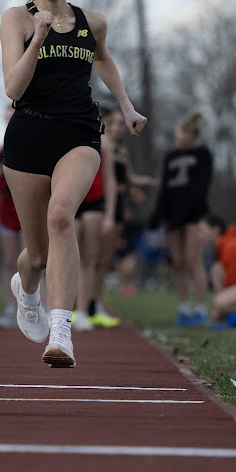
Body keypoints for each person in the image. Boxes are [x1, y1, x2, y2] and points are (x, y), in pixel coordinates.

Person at [0, 0, 146, 367]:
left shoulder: (92, 21)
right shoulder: (16, 19)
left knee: (62, 214)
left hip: (79, 134)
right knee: (39, 254)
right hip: (28, 136)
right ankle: (27, 288)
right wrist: (38, 38)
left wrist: (126, 105)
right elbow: (12, 87)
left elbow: (102, 58)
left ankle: (61, 331)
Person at [91, 105, 158, 324]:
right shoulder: (99, 145)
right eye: (114, 124)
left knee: (104, 260)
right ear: (105, 124)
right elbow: (102, 180)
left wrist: (145, 182)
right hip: (100, 204)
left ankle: (96, 303)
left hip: (118, 206)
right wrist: (124, 189)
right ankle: (87, 304)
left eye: (121, 124)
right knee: (93, 258)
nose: (118, 128)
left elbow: (127, 178)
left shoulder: (121, 151)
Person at [148, 108, 213, 327]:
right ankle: (184, 309)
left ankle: (201, 310)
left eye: (185, 140)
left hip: (193, 215)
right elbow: (165, 187)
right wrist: (158, 213)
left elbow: (199, 188)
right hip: (172, 216)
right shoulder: (171, 156)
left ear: (194, 138)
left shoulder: (203, 154)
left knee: (193, 260)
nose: (181, 143)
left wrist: (183, 213)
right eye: (178, 138)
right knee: (178, 263)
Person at [72, 129, 117, 331]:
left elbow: (110, 179)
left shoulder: (104, 141)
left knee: (89, 258)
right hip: (71, 198)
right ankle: (59, 310)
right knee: (65, 255)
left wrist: (109, 214)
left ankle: (82, 312)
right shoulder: (64, 128)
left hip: (93, 202)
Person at [0, 106, 23, 329]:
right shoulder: (2, 150)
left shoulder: (32, 143)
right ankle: (10, 308)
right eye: (7, 117)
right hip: (6, 211)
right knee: (9, 260)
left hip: (28, 209)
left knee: (32, 260)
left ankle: (35, 306)